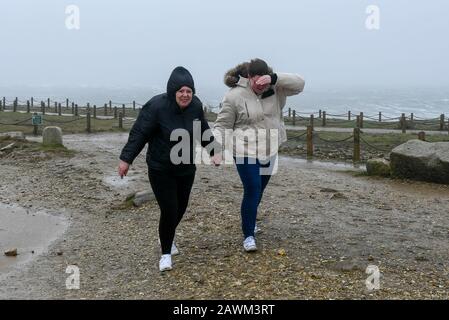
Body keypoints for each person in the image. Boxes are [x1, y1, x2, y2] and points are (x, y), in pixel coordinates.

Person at [118, 66, 218, 272]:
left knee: (180, 208)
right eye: (181, 91)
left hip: (186, 168)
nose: (185, 95)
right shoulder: (156, 107)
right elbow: (139, 133)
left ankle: (167, 234)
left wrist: (213, 150)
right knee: (170, 209)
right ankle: (165, 253)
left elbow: (203, 129)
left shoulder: (196, 106)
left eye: (189, 91)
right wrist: (126, 159)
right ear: (173, 91)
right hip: (160, 168)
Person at [213, 58, 305, 252]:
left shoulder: (275, 87)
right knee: (253, 188)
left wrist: (273, 78)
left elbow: (300, 84)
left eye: (263, 81)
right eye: (257, 81)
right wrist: (216, 149)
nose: (260, 86)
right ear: (249, 77)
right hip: (244, 150)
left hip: (270, 148)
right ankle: (248, 235)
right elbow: (222, 125)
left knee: (260, 190)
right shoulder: (234, 96)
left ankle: (251, 218)